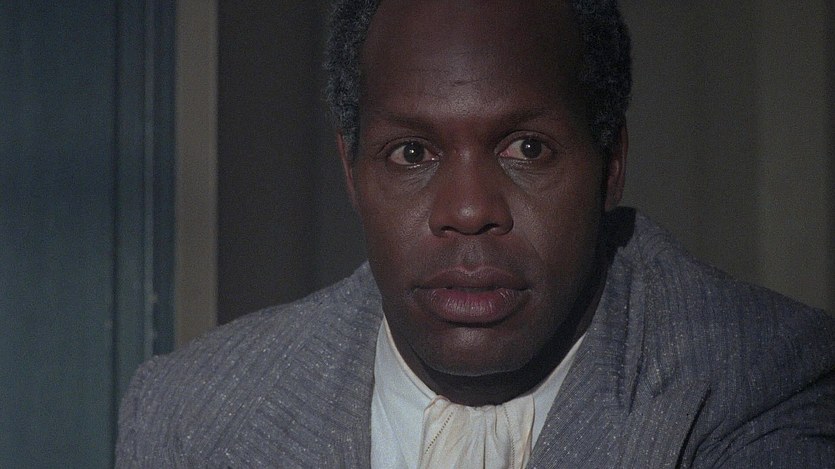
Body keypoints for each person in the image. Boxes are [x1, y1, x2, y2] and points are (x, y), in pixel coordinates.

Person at [116, 0, 835, 467]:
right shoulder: (189, 417)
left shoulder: (758, 382)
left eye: (527, 148)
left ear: (610, 164)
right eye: (411, 153)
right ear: (351, 172)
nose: (466, 210)